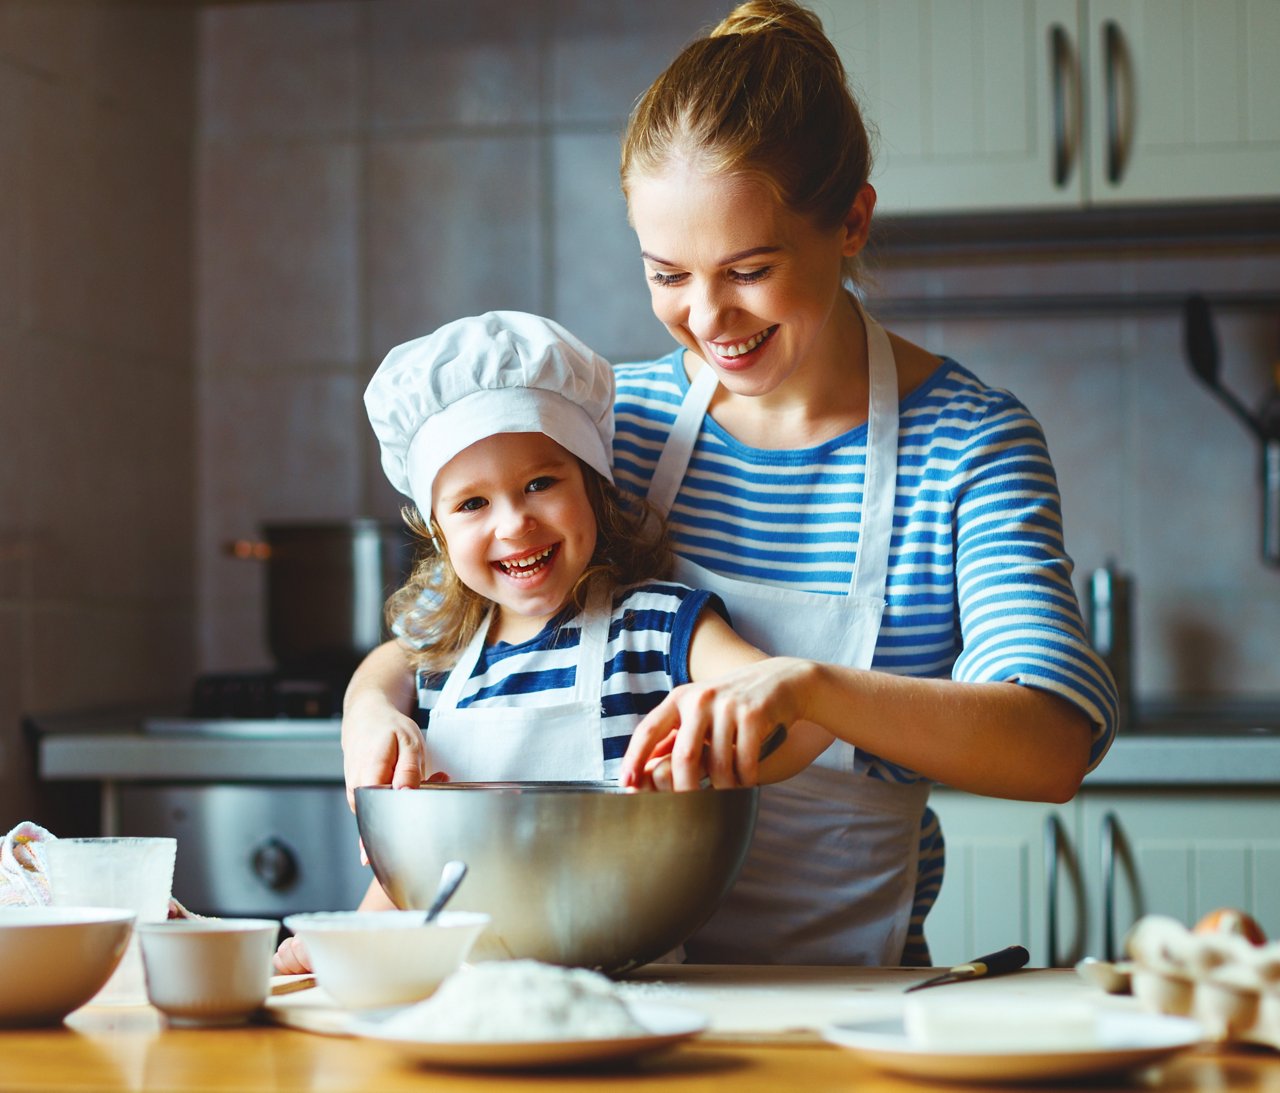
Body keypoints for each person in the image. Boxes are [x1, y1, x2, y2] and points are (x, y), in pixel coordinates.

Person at [339, 0, 1119, 969]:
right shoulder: (610, 429)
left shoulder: (962, 446)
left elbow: (1049, 742)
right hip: (604, 996)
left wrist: (811, 690)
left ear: (850, 221)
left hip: (846, 1005)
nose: (708, 317)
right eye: (666, 274)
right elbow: (441, 636)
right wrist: (369, 712)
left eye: (748, 270)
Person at [274, 309, 832, 974]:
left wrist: (714, 749)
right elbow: (424, 860)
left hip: (631, 981)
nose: (514, 523)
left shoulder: (654, 625)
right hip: (466, 992)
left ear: (592, 487)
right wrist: (353, 942)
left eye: (541, 483)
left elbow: (798, 709)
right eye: (471, 504)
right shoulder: (447, 662)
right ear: (438, 533)